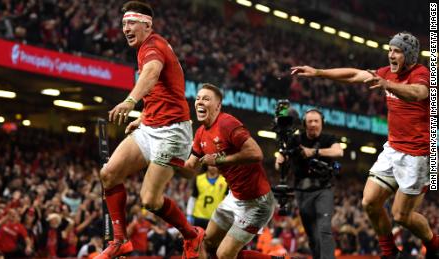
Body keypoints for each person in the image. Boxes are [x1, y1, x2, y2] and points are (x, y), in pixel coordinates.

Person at [291, 31, 438, 259]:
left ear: (408, 55)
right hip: (393, 149)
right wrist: (318, 72)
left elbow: (418, 93)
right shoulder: (387, 73)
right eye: (389, 49)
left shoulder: (421, 74)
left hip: (418, 155)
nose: (391, 54)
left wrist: (387, 84)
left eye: (397, 51)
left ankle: (435, 244)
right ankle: (390, 254)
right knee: (369, 202)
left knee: (401, 216)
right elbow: (354, 75)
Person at [96, 1, 204, 258]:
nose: (125, 29)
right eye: (123, 24)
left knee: (150, 201)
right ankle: (120, 241)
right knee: (109, 174)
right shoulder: (146, 47)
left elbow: (152, 74)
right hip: (151, 126)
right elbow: (162, 90)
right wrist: (143, 116)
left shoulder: (153, 46)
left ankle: (192, 234)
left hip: (172, 133)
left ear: (147, 25)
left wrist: (130, 101)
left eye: (131, 23)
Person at [179, 83, 288, 259]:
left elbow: (256, 153)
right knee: (206, 243)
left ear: (218, 105)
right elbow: (190, 167)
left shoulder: (227, 123)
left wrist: (218, 159)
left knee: (224, 254)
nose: (200, 102)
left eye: (206, 99)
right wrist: (164, 160)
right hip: (234, 198)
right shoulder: (200, 134)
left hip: (257, 203)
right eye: (198, 98)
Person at [275, 108, 343, 259]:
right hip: (302, 192)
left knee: (324, 228)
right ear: (304, 124)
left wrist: (314, 152)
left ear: (322, 123)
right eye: (310, 121)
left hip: (323, 189)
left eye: (316, 121)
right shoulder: (296, 140)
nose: (313, 124)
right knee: (312, 235)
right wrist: (280, 159)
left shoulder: (328, 138)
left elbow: (339, 152)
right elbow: (281, 160)